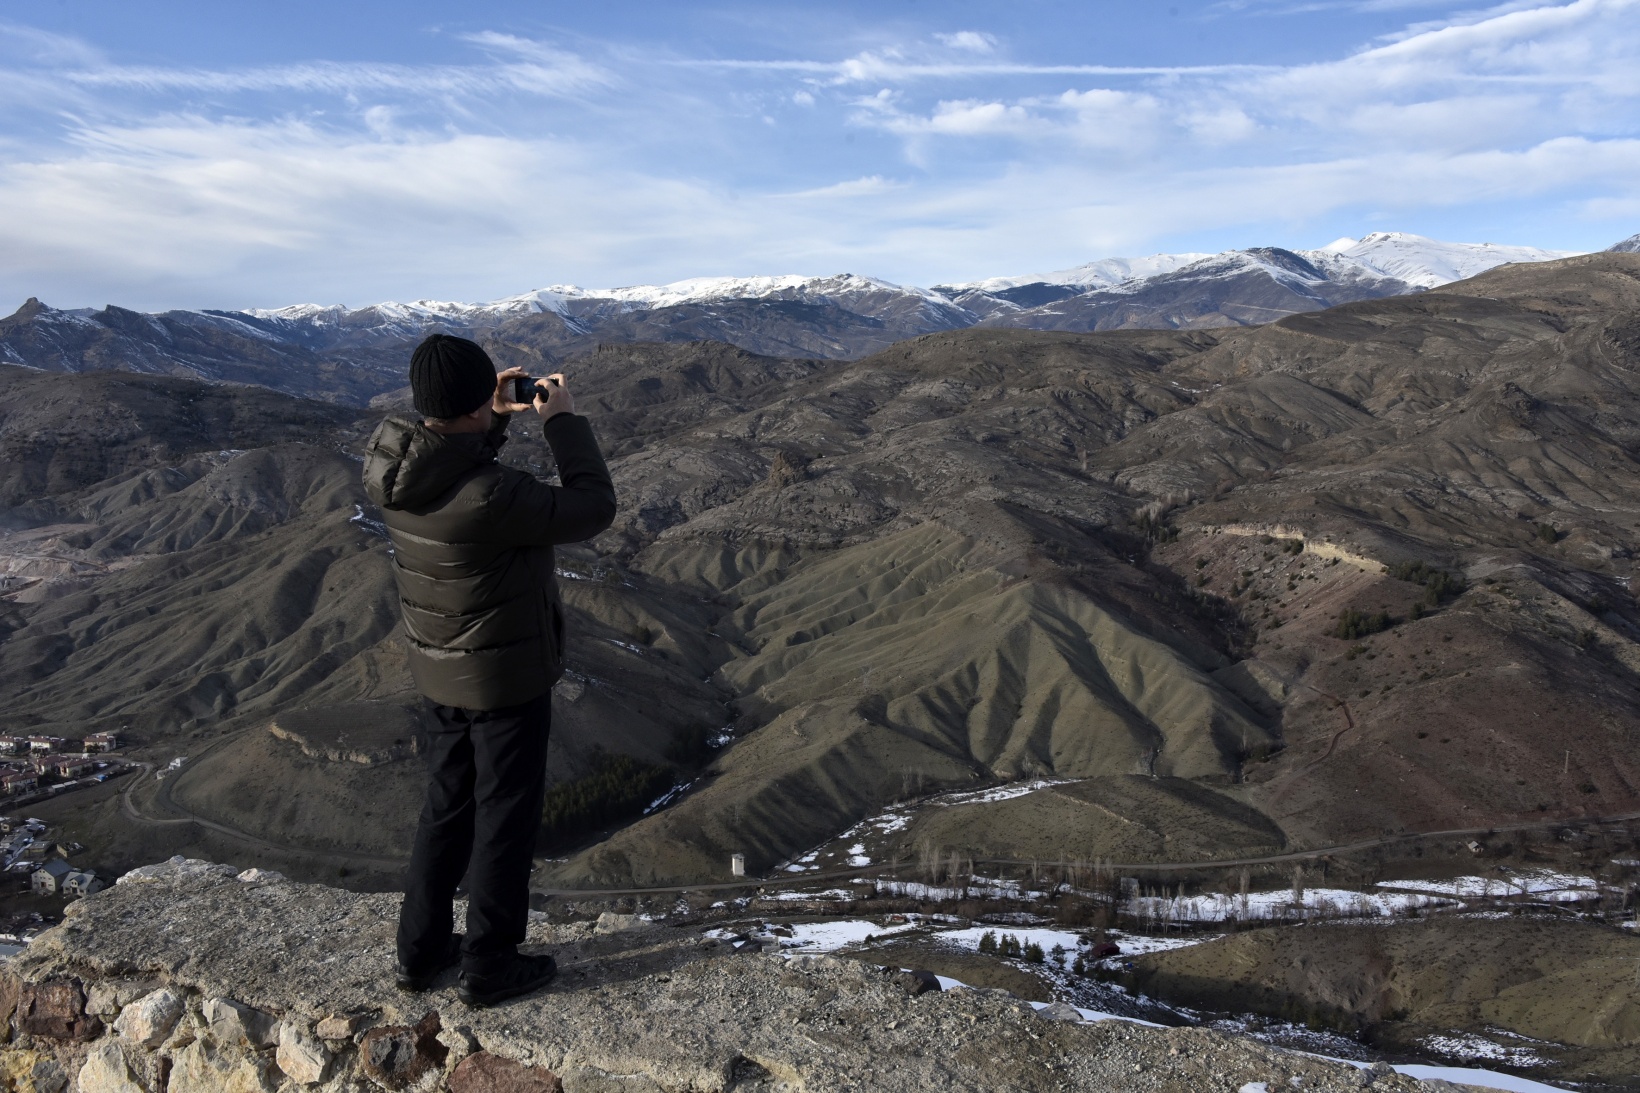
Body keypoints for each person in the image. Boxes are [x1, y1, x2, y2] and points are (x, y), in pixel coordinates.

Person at [362, 333, 616, 1007]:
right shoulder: (492, 495)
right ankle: (490, 963)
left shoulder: (394, 473)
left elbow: (450, 469)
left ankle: (418, 952)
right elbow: (592, 506)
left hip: (439, 670)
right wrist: (560, 421)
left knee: (446, 809)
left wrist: (490, 422)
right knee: (505, 816)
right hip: (504, 678)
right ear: (478, 400)